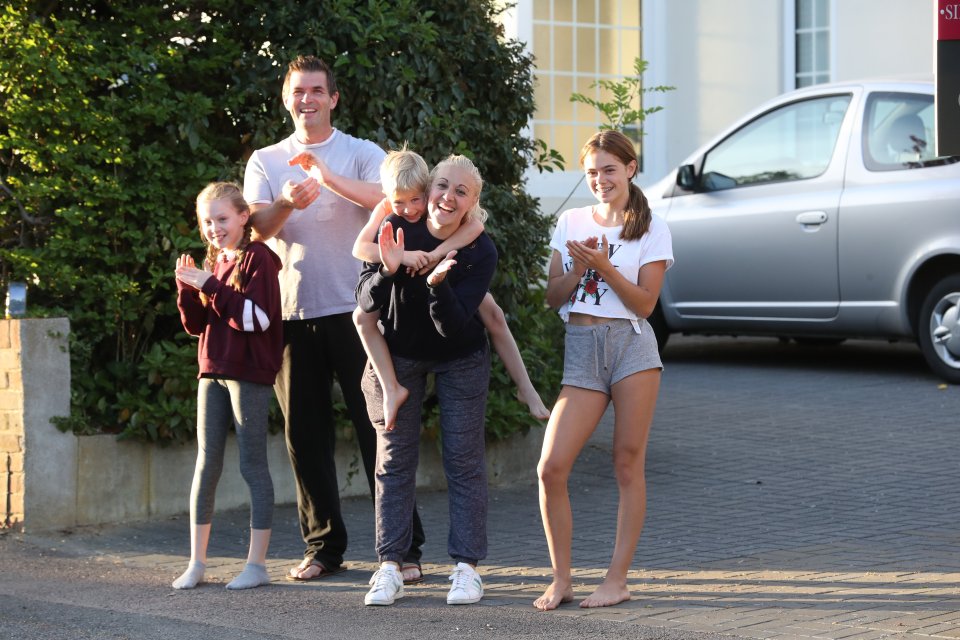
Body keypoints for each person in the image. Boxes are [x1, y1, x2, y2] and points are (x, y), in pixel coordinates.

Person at [243, 54, 426, 583]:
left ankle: (403, 548)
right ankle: (323, 548)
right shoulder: (267, 159)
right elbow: (256, 228)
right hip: (294, 313)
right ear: (286, 98)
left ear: (333, 98)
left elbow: (392, 202)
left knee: (381, 432)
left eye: (317, 91)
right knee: (306, 437)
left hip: (361, 312)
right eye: (299, 91)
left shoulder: (361, 152)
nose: (308, 100)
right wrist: (285, 202)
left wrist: (327, 176)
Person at [534, 130, 674, 611]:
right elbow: (553, 296)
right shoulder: (571, 220)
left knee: (626, 462)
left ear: (630, 169)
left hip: (631, 348)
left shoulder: (651, 227)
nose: (600, 180)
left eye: (609, 170)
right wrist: (578, 269)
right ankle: (562, 578)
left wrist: (604, 266)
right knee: (550, 467)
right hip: (582, 348)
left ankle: (617, 579)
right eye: (592, 171)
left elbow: (645, 304)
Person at [356, 155, 496, 607]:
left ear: (473, 203)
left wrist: (437, 282)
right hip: (399, 356)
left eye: (461, 192)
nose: (447, 197)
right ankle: (390, 566)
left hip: (461, 355)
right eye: (442, 185)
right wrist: (387, 267)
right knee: (394, 459)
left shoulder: (479, 248)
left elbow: (453, 326)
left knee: (464, 460)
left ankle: (467, 568)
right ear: (426, 186)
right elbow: (364, 299)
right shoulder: (397, 221)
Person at [351, 146, 550, 431]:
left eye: (415, 201)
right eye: (441, 187)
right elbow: (360, 248)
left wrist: (436, 255)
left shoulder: (458, 218)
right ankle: (389, 386)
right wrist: (402, 259)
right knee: (361, 317)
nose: (410, 209)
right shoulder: (394, 211)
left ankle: (526, 388)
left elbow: (476, 226)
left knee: (493, 314)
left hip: (451, 290)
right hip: (403, 317)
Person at [172, 182, 283, 591]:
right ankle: (197, 562)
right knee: (207, 463)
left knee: (252, 465)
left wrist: (209, 286)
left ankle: (256, 565)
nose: (214, 228)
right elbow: (197, 326)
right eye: (207, 221)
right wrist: (188, 291)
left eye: (222, 218)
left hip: (249, 374)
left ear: (243, 217)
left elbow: (256, 320)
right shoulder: (216, 261)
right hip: (211, 370)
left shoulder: (259, 259)